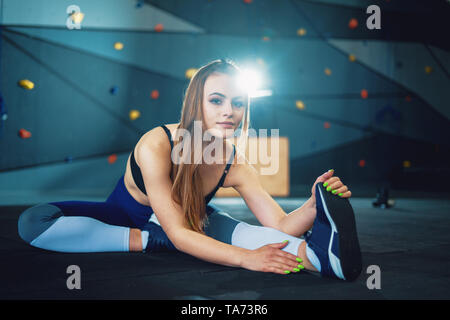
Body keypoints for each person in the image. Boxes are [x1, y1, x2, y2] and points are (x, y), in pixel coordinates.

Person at [17, 59, 362, 281]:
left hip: (191, 221)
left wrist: (314, 204)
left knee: (239, 230)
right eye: (217, 100)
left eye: (238, 103)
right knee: (32, 222)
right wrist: (244, 260)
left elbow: (282, 225)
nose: (230, 111)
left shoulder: (233, 162)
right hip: (128, 220)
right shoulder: (157, 143)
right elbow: (181, 235)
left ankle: (321, 258)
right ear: (196, 101)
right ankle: (150, 240)